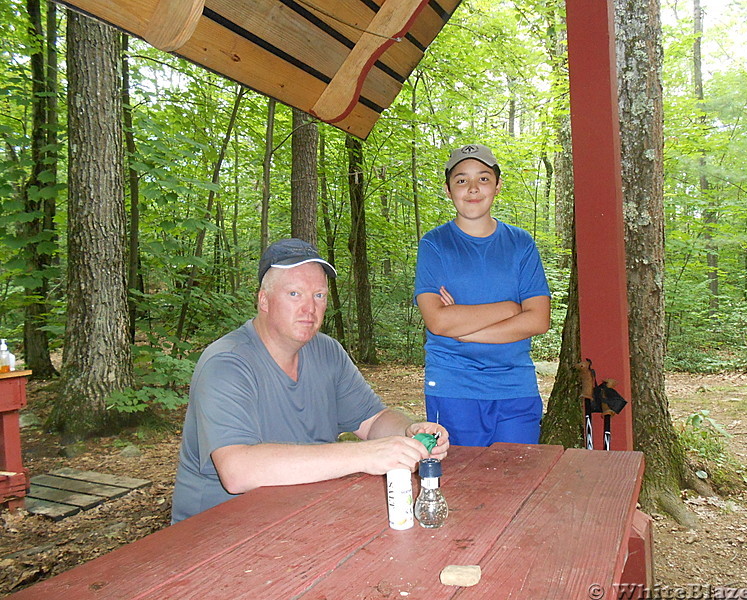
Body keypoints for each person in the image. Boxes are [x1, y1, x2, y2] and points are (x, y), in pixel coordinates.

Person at [172, 238, 449, 523]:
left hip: (303, 517)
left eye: (319, 295)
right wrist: (364, 455)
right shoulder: (227, 364)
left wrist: (409, 434)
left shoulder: (327, 352)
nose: (309, 308)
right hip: (219, 534)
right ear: (263, 300)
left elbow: (373, 420)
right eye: (295, 294)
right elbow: (237, 471)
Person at [414, 143, 551, 447]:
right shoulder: (435, 244)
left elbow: (539, 320)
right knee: (460, 482)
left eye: (484, 178)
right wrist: (510, 307)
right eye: (462, 180)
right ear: (449, 190)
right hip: (452, 385)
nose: (473, 188)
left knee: (516, 479)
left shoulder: (521, 244)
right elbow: (437, 322)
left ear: (498, 185)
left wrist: (463, 331)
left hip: (515, 386)